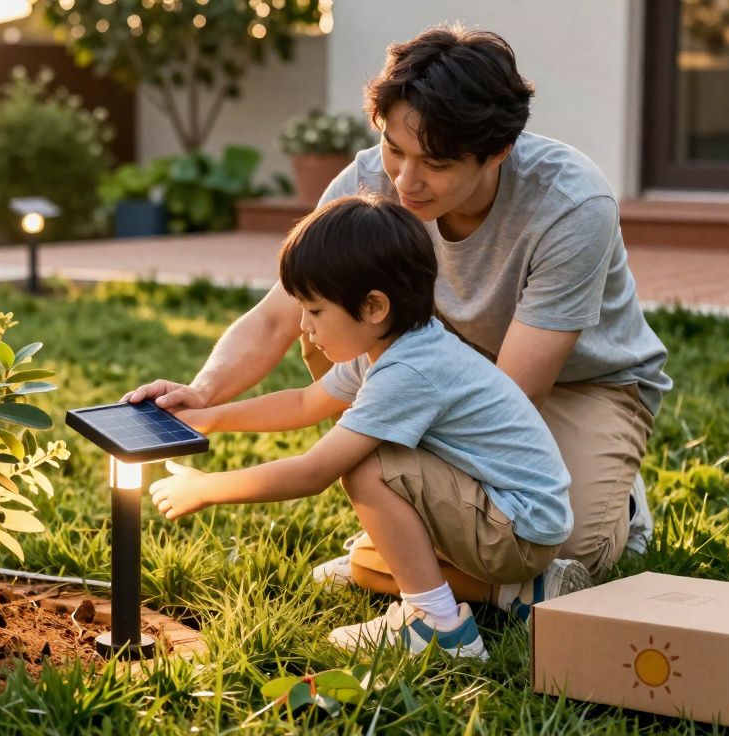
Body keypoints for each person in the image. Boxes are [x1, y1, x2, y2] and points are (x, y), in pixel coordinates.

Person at [125, 25, 670, 595]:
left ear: (498, 152)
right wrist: (203, 397)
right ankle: (405, 538)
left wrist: (354, 462)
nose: (405, 182)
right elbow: (276, 317)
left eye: (434, 163)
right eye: (394, 148)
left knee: (561, 547)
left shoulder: (570, 204)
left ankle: (616, 505)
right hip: (426, 353)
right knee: (327, 320)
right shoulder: (366, 181)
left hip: (579, 382)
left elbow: (513, 395)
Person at [149, 195, 588, 658]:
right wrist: (208, 417)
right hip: (512, 518)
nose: (303, 326)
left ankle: (438, 626)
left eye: (315, 311)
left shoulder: (410, 372)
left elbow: (312, 472)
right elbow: (303, 402)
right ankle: (522, 593)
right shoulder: (394, 346)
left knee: (367, 467)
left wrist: (207, 488)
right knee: (366, 563)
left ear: (375, 307)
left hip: (515, 528)